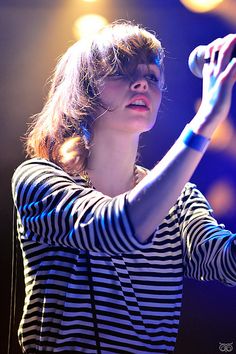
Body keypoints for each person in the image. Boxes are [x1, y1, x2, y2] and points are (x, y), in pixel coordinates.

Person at [12, 20, 236, 354]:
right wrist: (205, 121)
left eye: (152, 77)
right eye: (122, 72)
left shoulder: (182, 199)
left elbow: (225, 263)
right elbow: (117, 227)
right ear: (85, 91)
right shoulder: (38, 179)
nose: (142, 84)